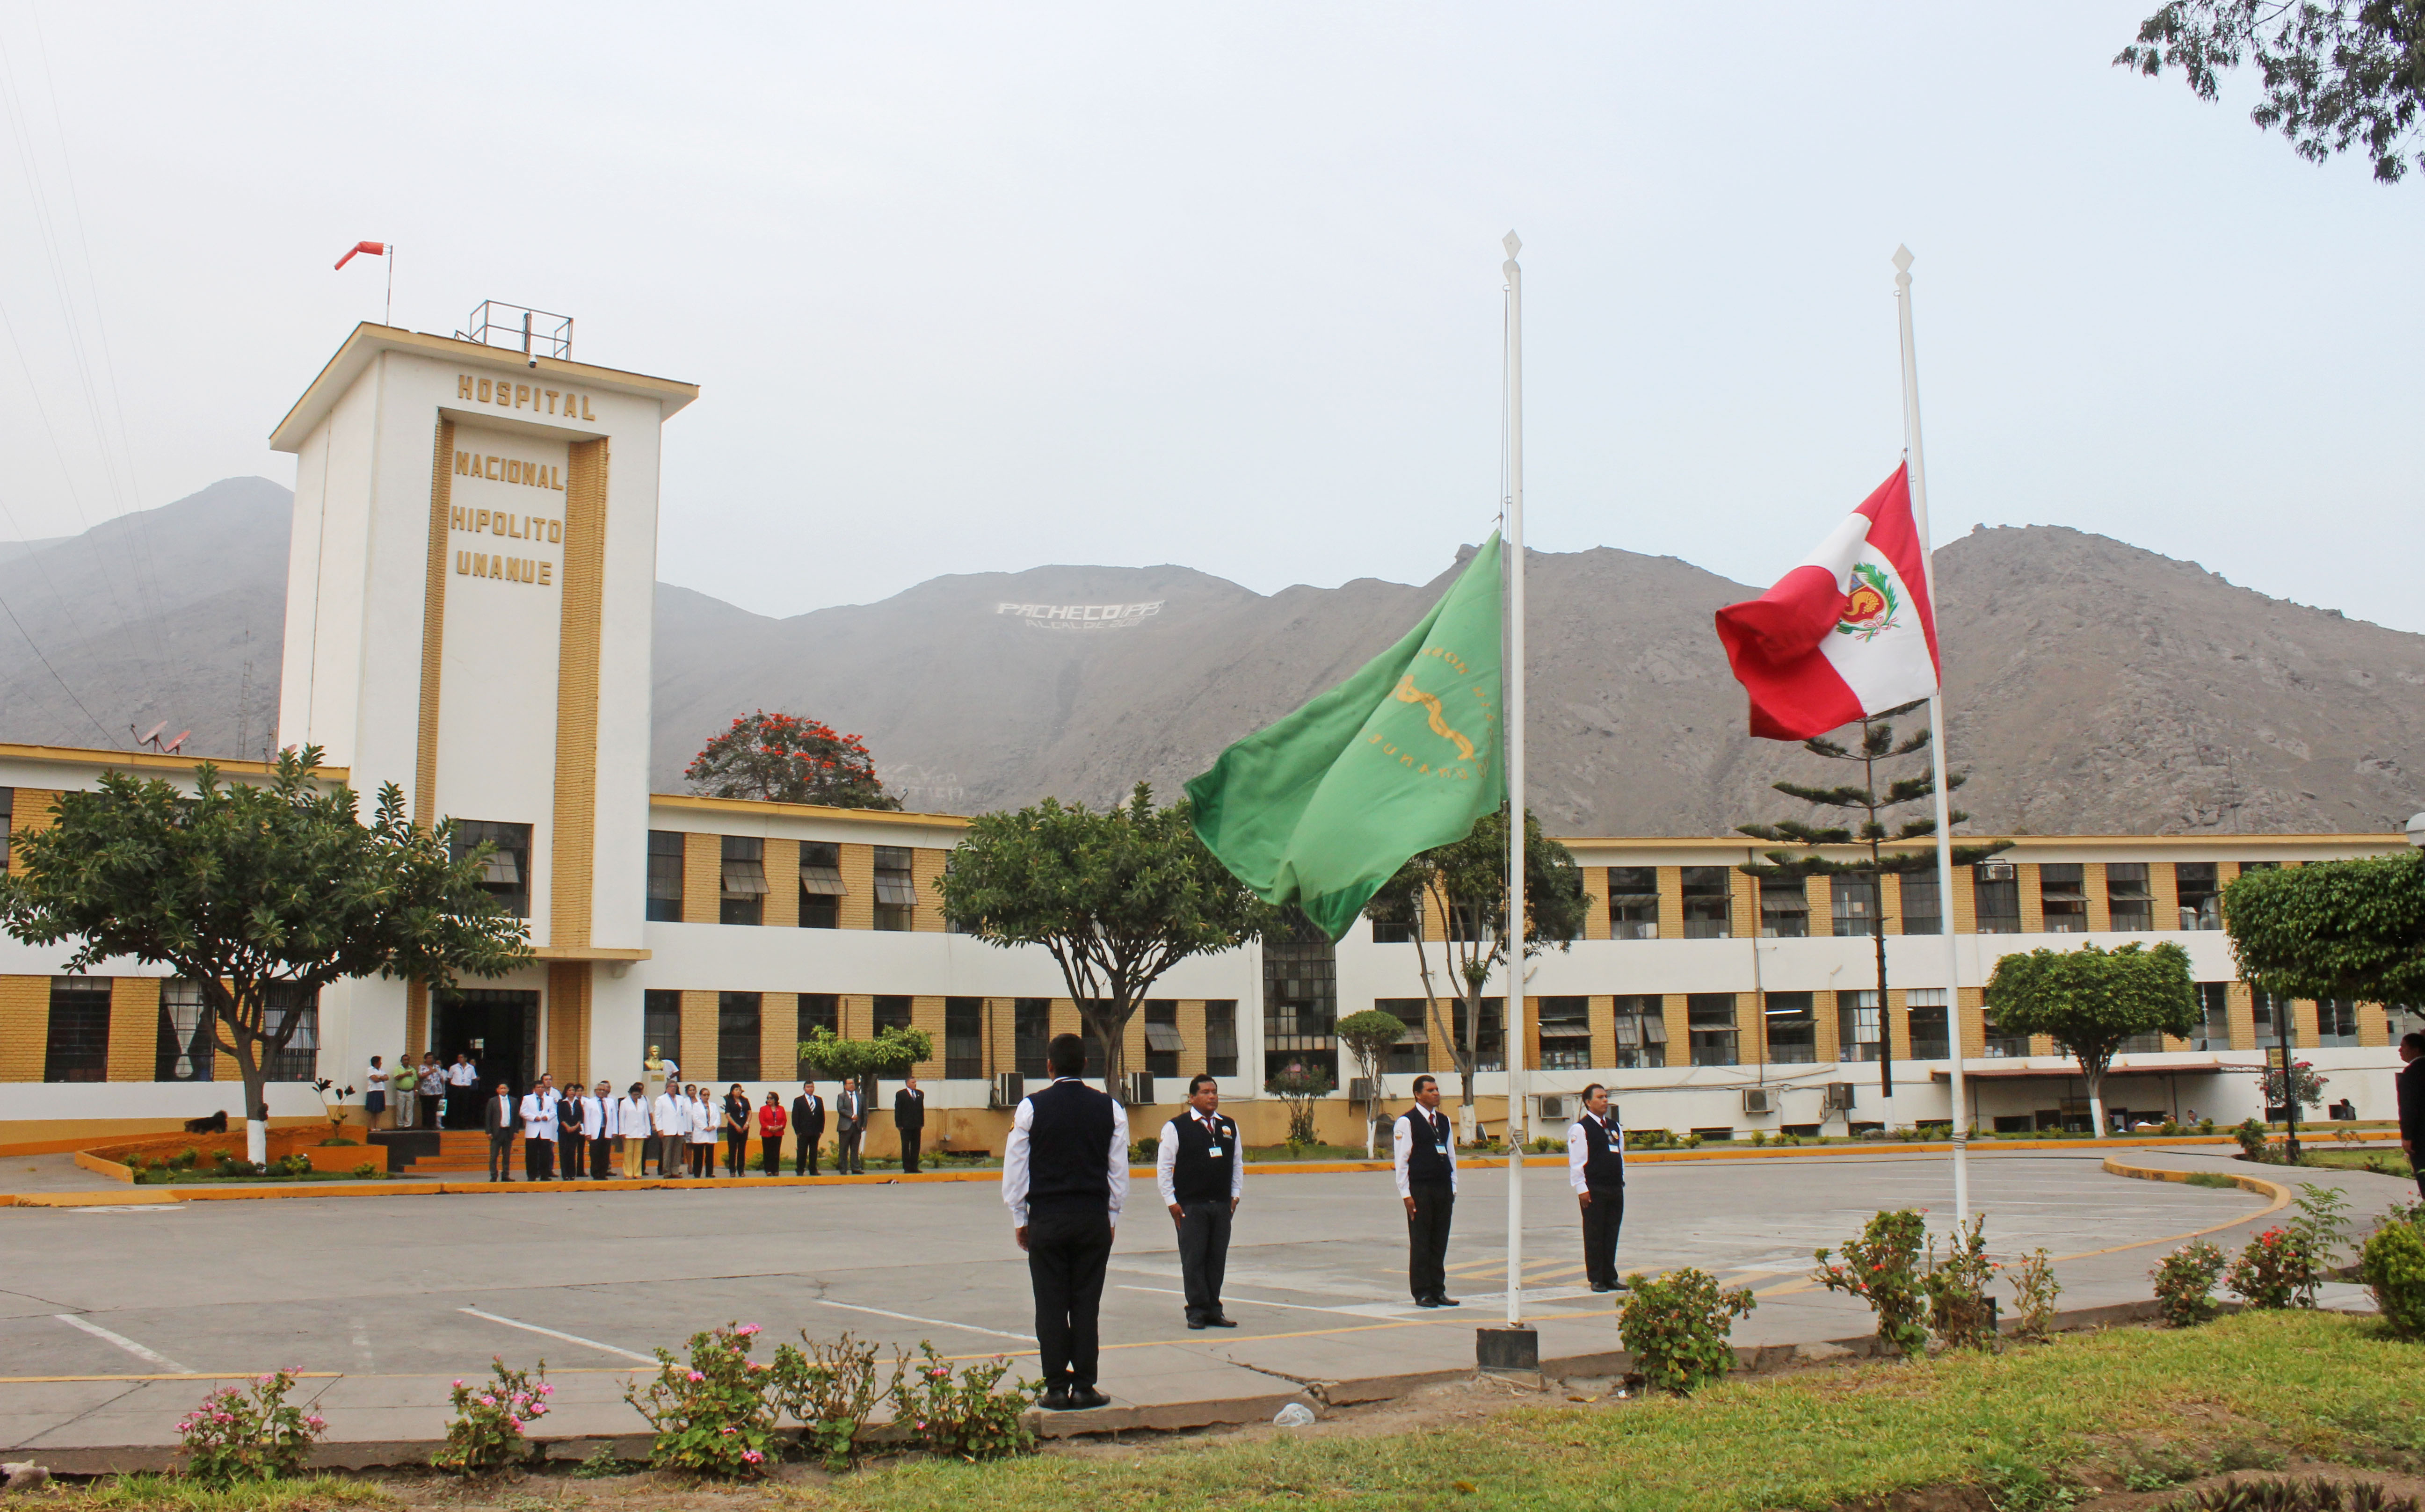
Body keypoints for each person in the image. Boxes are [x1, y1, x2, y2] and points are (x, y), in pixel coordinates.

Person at [1002, 1033, 1127, 1411]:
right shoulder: (1110, 1108)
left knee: (1051, 1304)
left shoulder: (1030, 1107)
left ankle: (1056, 1387)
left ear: (1049, 1065)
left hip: (1047, 1219)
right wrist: (1112, 1216)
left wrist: (1019, 1217)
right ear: (1086, 1064)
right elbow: (1118, 1172)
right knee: (1086, 1304)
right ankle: (1086, 1385)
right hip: (1091, 1218)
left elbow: (1016, 1169)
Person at [1155, 1073, 1243, 1329]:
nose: (1212, 1096)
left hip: (1221, 1206)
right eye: (1205, 1092)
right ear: (1192, 1097)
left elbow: (1237, 1164)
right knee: (1194, 1260)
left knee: (1216, 1260)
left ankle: (1214, 1309)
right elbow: (1164, 1168)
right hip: (1190, 1207)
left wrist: (1235, 1196)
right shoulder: (1176, 1127)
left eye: (1214, 1091)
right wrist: (1171, 1202)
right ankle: (1196, 1310)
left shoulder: (1228, 1126)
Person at [1394, 1074, 1459, 1308]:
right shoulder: (1407, 1122)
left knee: (1439, 1241)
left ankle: (1438, 1290)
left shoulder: (1444, 1121)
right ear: (1418, 1095)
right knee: (1421, 1240)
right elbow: (1402, 1160)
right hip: (1420, 1189)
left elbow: (1451, 1154)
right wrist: (1406, 1194)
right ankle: (1422, 1291)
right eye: (1430, 1090)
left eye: (1437, 1089)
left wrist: (1453, 1186)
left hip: (1442, 1188)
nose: (1436, 1093)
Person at [1568, 1083, 1628, 1294]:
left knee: (1611, 1232)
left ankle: (1610, 1276)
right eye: (1600, 1097)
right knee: (1594, 1233)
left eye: (1606, 1097)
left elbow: (1620, 1155)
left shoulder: (1614, 1126)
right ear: (1588, 1102)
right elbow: (1577, 1162)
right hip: (1594, 1188)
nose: (1605, 1101)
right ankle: (1596, 1278)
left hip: (1614, 1188)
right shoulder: (1581, 1128)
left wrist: (1621, 1180)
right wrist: (1581, 1189)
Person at [2399, 1031, 2424, 1201]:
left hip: (2421, 1137)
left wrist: (2407, 1136)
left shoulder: (2411, 1073)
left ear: (2416, 1050)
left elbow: (2408, 1108)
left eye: (2403, 1047)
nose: (2400, 1051)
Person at [520, 1074, 559, 1181]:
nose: (541, 1089)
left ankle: (545, 1175)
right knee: (531, 1155)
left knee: (545, 1154)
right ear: (534, 1089)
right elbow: (523, 1112)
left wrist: (548, 1117)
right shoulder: (527, 1099)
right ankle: (532, 1175)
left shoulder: (550, 1099)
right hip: (533, 1130)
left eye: (542, 1087)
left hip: (545, 1130)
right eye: (539, 1087)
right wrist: (534, 1118)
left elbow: (554, 1112)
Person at [652, 1076, 688, 1178]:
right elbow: (658, 1115)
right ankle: (667, 1171)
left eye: (675, 1087)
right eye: (671, 1087)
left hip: (679, 1129)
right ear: (667, 1088)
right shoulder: (661, 1099)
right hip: (667, 1129)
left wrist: (685, 1129)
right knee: (667, 1151)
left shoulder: (681, 1099)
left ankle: (675, 1170)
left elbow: (684, 1114)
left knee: (677, 1152)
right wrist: (660, 1129)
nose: (673, 1088)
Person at [484, 1080, 517, 1182]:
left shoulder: (513, 1101)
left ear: (508, 1090)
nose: (503, 1090)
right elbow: (488, 1117)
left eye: (505, 1088)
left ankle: (506, 1175)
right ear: (498, 1090)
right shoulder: (492, 1101)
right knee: (494, 1155)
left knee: (506, 1156)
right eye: (501, 1088)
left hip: (508, 1132)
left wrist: (516, 1131)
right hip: (496, 1132)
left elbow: (516, 1117)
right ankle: (494, 1175)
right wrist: (489, 1132)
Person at [792, 1080, 826, 1176]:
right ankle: (800, 1169)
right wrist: (797, 1131)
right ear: (804, 1089)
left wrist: (821, 1130)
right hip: (803, 1131)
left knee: (814, 1152)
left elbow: (822, 1116)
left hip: (815, 1131)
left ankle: (813, 1169)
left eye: (811, 1087)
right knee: (802, 1152)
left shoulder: (819, 1100)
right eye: (808, 1087)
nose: (810, 1089)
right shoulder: (799, 1101)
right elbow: (795, 1117)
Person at [617, 1082, 651, 1178]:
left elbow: (646, 1118)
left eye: (638, 1095)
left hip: (641, 1131)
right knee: (628, 1153)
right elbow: (621, 1118)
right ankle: (628, 1173)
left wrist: (648, 1132)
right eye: (634, 1095)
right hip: (628, 1132)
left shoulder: (643, 1103)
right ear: (630, 1094)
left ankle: (637, 1173)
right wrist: (622, 1132)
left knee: (639, 1153)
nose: (636, 1096)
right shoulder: (624, 1103)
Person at [895, 1074, 928, 1174]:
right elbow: (898, 1110)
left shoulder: (920, 1094)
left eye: (916, 1082)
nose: (915, 1084)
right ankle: (907, 1167)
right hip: (905, 1125)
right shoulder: (901, 1094)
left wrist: (922, 1123)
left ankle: (915, 1167)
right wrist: (899, 1124)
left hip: (917, 1125)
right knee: (906, 1147)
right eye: (913, 1083)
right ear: (908, 1083)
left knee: (916, 1147)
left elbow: (921, 1109)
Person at [722, 1084, 753, 1178]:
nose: (739, 1092)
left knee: (742, 1149)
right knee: (732, 1150)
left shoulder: (745, 1100)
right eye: (736, 1090)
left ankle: (741, 1170)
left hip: (744, 1127)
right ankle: (732, 1171)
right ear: (732, 1092)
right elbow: (728, 1115)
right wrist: (736, 1126)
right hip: (733, 1128)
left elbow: (750, 1112)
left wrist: (747, 1124)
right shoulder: (730, 1101)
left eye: (740, 1090)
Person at [836, 1077, 866, 1175]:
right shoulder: (842, 1096)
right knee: (844, 1149)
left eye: (853, 1083)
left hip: (857, 1126)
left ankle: (856, 1168)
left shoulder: (861, 1097)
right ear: (845, 1086)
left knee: (855, 1148)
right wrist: (852, 1115)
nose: (852, 1085)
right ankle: (843, 1169)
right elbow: (841, 1109)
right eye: (849, 1084)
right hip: (845, 1126)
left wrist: (864, 1124)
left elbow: (864, 1112)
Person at [690, 1085, 719, 1177]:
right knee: (699, 1154)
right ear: (701, 1096)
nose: (706, 1097)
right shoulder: (696, 1106)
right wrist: (705, 1127)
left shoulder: (713, 1106)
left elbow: (718, 1118)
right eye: (704, 1095)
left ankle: (710, 1173)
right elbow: (696, 1118)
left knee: (710, 1155)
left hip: (711, 1132)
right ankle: (697, 1173)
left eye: (708, 1095)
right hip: (701, 1132)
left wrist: (713, 1127)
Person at [758, 1089, 789, 1175]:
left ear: (775, 1100)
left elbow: (784, 1120)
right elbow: (762, 1120)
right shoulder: (763, 1109)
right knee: (768, 1152)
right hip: (767, 1133)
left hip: (778, 1133)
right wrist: (769, 1128)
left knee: (776, 1151)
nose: (769, 1100)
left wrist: (780, 1127)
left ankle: (776, 1170)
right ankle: (768, 1170)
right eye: (768, 1098)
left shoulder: (781, 1109)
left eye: (771, 1098)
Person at [447, 1052, 480, 1129]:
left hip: (466, 1089)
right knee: (455, 1106)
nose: (460, 1059)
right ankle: (455, 1124)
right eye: (459, 1058)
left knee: (465, 1106)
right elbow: (449, 1077)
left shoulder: (471, 1068)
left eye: (461, 1058)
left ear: (466, 1059)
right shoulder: (454, 1067)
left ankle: (463, 1124)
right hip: (456, 1088)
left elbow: (473, 1078)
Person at [390, 1055, 419, 1132]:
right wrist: (406, 1074)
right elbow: (396, 1077)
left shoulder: (412, 1069)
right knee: (400, 1109)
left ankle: (408, 1125)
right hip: (401, 1091)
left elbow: (416, 1081)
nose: (406, 1061)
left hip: (410, 1091)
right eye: (405, 1060)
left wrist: (416, 1091)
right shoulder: (398, 1069)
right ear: (402, 1061)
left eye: (408, 1060)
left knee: (409, 1109)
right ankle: (400, 1125)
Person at [365, 1056, 388, 1130]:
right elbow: (375, 1079)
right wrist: (382, 1078)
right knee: (373, 1110)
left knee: (379, 1110)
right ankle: (372, 1126)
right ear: (375, 1063)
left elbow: (387, 1077)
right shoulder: (370, 1070)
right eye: (379, 1062)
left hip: (381, 1091)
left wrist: (380, 1078)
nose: (381, 1063)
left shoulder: (382, 1070)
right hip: (373, 1091)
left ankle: (377, 1125)